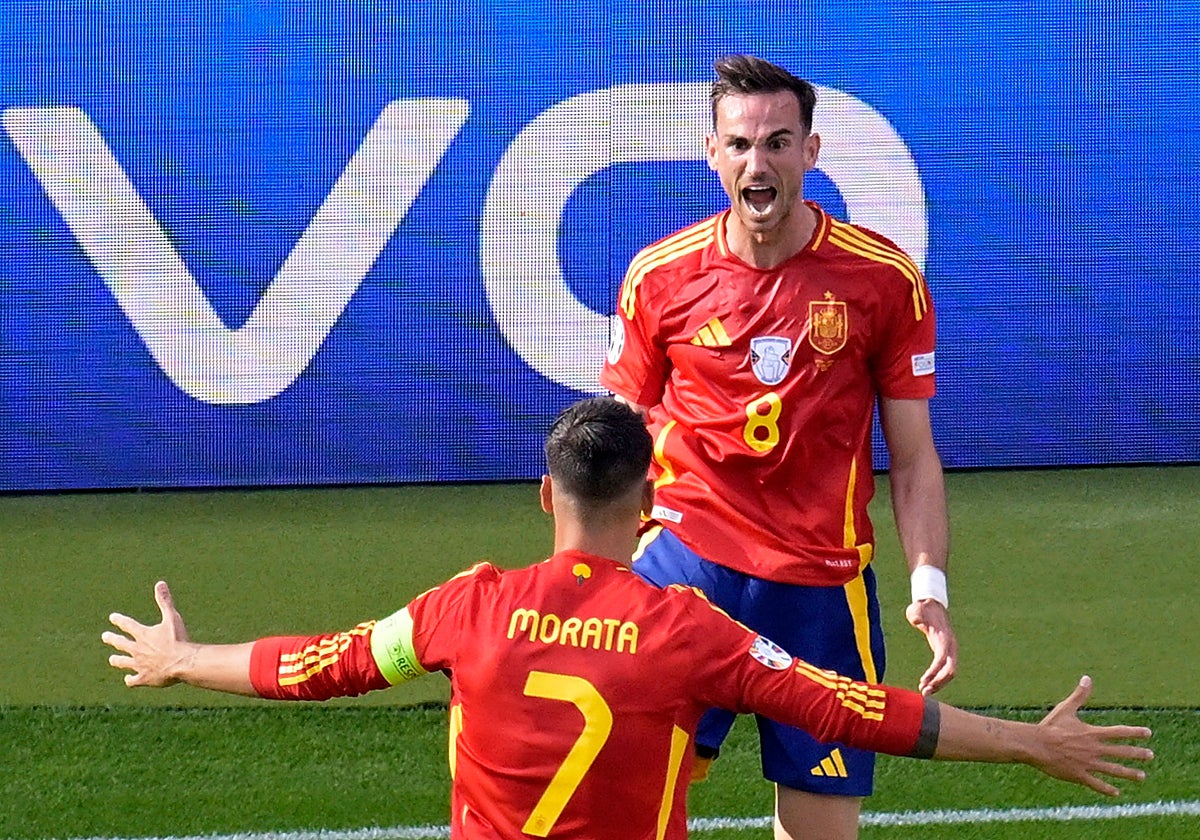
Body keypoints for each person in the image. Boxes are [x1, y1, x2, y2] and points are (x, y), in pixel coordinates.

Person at [103, 397, 1151, 839]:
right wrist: (1031, 743)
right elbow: (858, 711)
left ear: (544, 495)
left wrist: (183, 658)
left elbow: (317, 665)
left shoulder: (464, 608)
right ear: (651, 504)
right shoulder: (693, 634)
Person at [599, 54, 956, 838]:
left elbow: (914, 456)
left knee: (820, 827)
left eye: (777, 143)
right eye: (739, 144)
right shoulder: (659, 277)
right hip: (686, 570)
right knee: (624, 806)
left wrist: (929, 583)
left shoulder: (882, 279)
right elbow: (616, 448)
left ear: (811, 152)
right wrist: (587, 579)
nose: (756, 163)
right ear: (712, 153)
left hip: (820, 589)